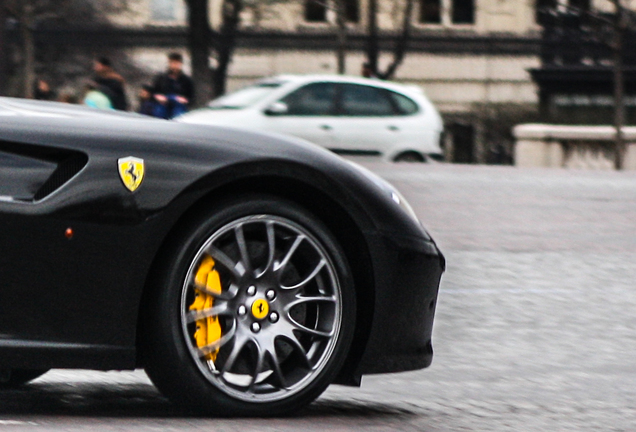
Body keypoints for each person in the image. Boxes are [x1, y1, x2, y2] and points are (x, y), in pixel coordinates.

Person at [151, 52, 194, 119]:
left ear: (180, 64)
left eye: (176, 63)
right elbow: (153, 92)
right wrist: (158, 97)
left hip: (178, 105)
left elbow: (191, 96)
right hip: (163, 104)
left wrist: (185, 100)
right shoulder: (161, 78)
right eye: (172, 63)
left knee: (178, 113)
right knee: (159, 112)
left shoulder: (186, 80)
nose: (174, 66)